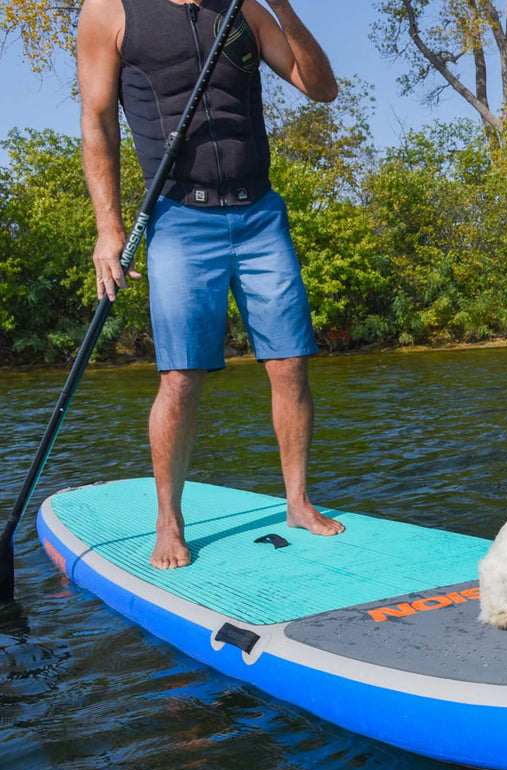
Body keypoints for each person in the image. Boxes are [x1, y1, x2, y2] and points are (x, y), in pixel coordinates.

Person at [77, 0, 345, 569]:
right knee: (180, 378)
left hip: (259, 214)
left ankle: (297, 502)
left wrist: (283, 5)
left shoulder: (244, 7)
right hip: (178, 217)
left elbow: (321, 88)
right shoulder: (109, 11)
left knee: (291, 362)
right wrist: (109, 228)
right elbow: (97, 118)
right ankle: (168, 521)